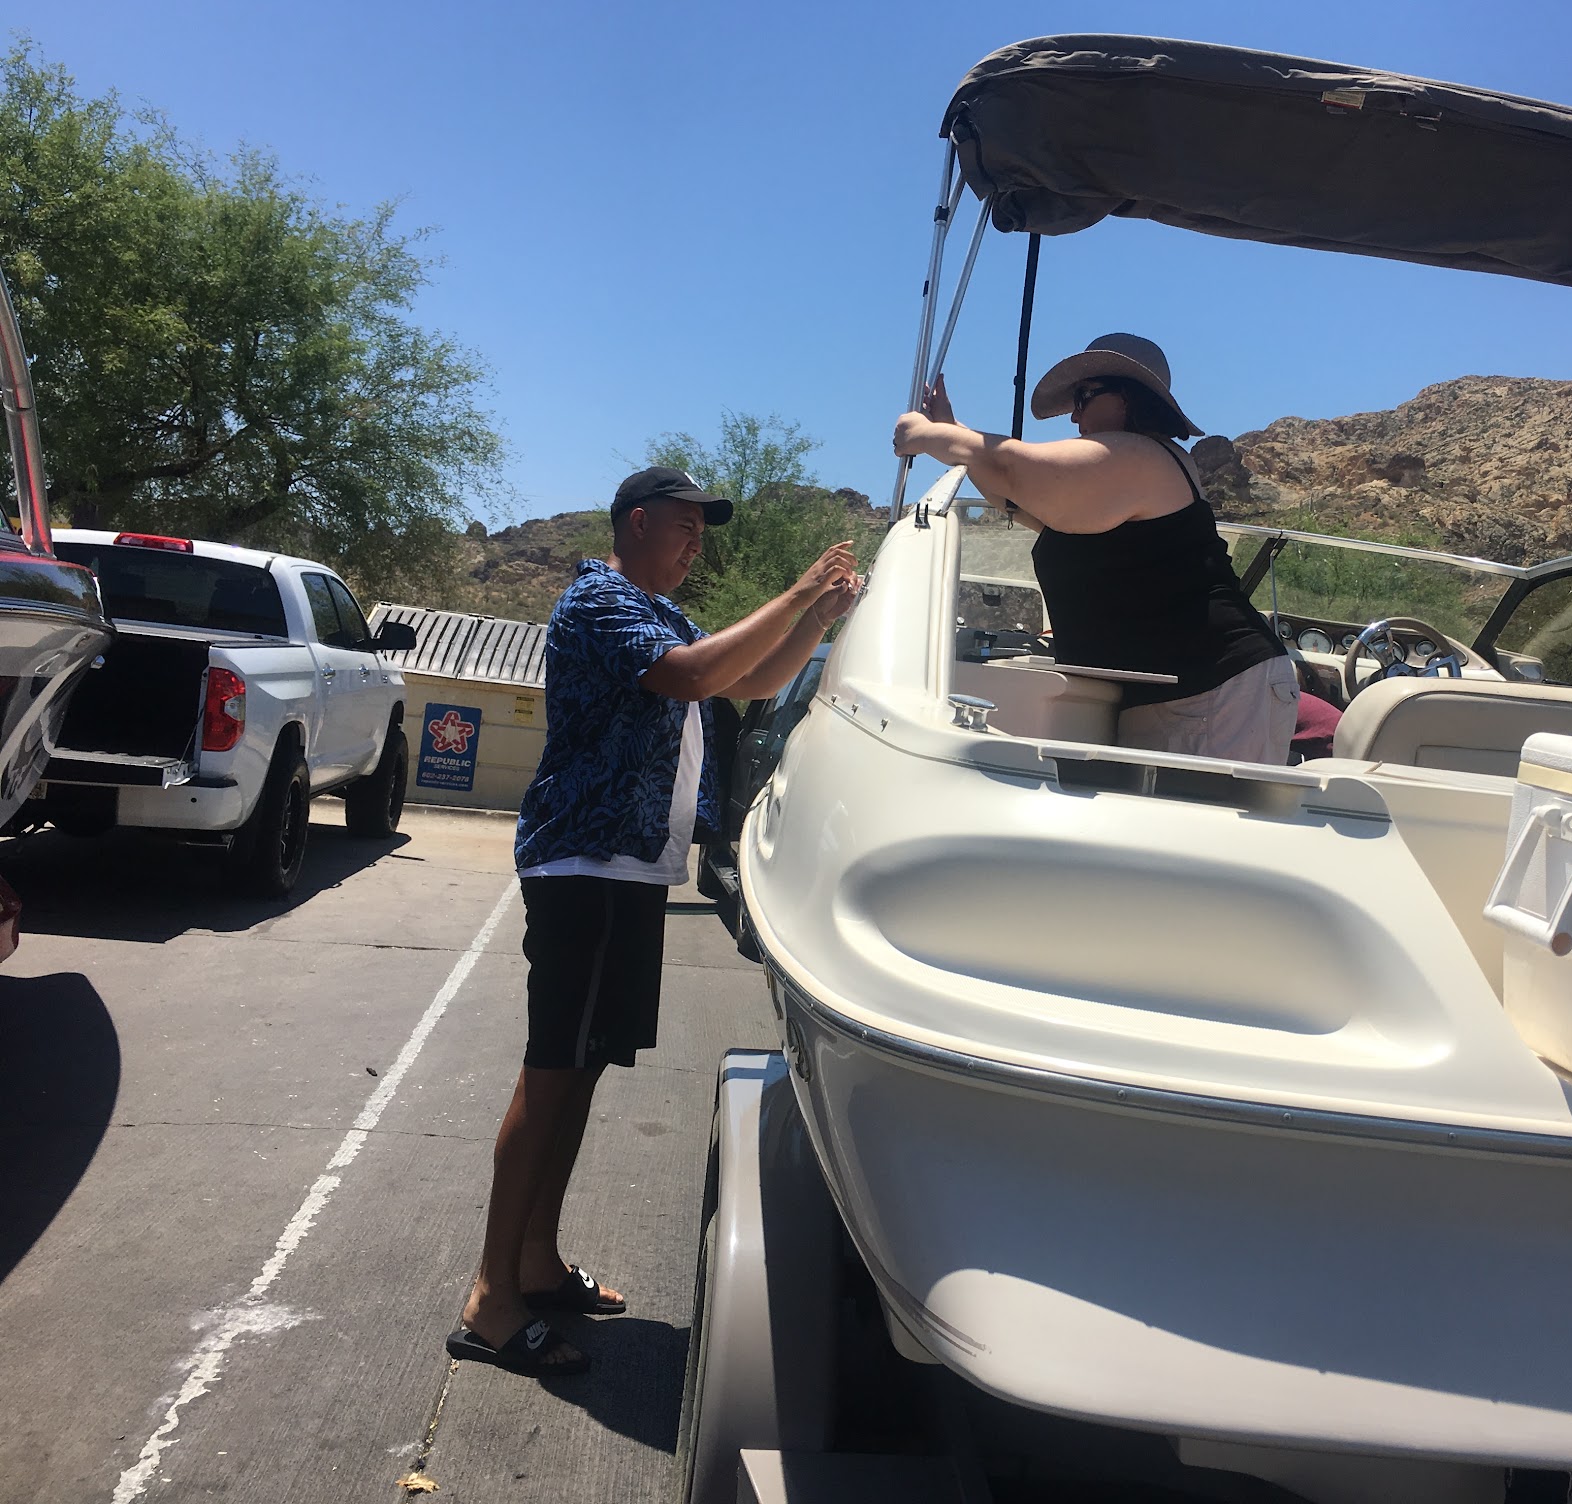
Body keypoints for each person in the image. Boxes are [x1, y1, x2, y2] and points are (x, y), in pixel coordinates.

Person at [449, 466, 858, 1377]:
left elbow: (746, 681)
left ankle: (536, 1264)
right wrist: (794, 590)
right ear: (635, 523)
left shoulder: (661, 614)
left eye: (701, 529)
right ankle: (490, 1298)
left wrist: (818, 621)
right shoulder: (600, 600)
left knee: (584, 1068)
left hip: (630, 869)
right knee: (552, 1072)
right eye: (683, 524)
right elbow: (692, 679)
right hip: (584, 865)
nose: (695, 541)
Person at [892, 333, 1294, 764]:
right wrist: (952, 433)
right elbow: (1015, 496)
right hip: (1187, 696)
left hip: (1212, 695)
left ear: (1126, 397)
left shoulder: (1141, 457)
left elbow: (1013, 469)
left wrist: (926, 436)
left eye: (1083, 397)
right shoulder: (1119, 476)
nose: (1074, 416)